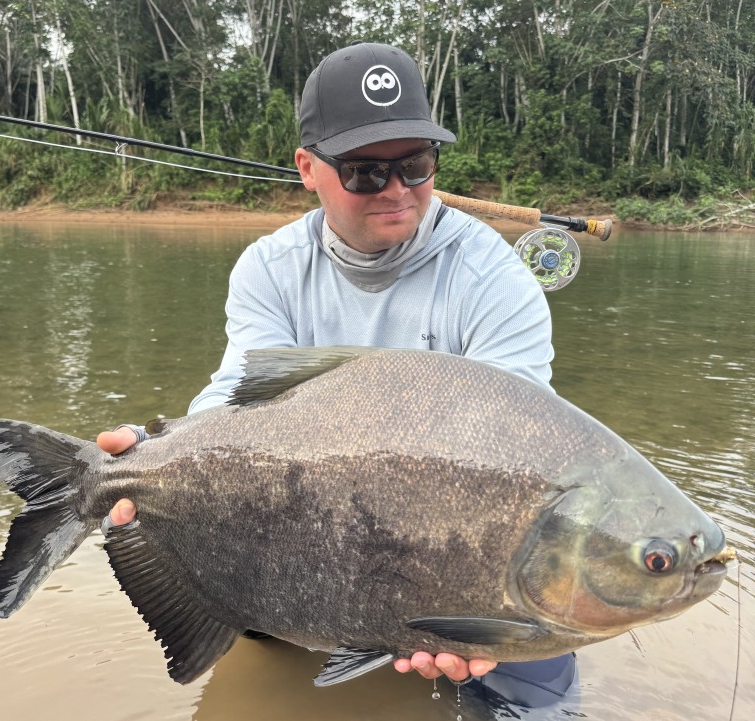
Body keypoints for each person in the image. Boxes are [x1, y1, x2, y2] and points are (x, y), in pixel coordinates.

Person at [98, 41, 575, 706]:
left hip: (452, 541)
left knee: (538, 685)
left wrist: (476, 599)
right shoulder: (270, 269)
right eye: (365, 172)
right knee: (252, 669)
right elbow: (236, 398)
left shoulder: (495, 280)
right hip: (310, 523)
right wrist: (157, 456)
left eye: (416, 163)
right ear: (308, 168)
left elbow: (525, 456)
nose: (397, 190)